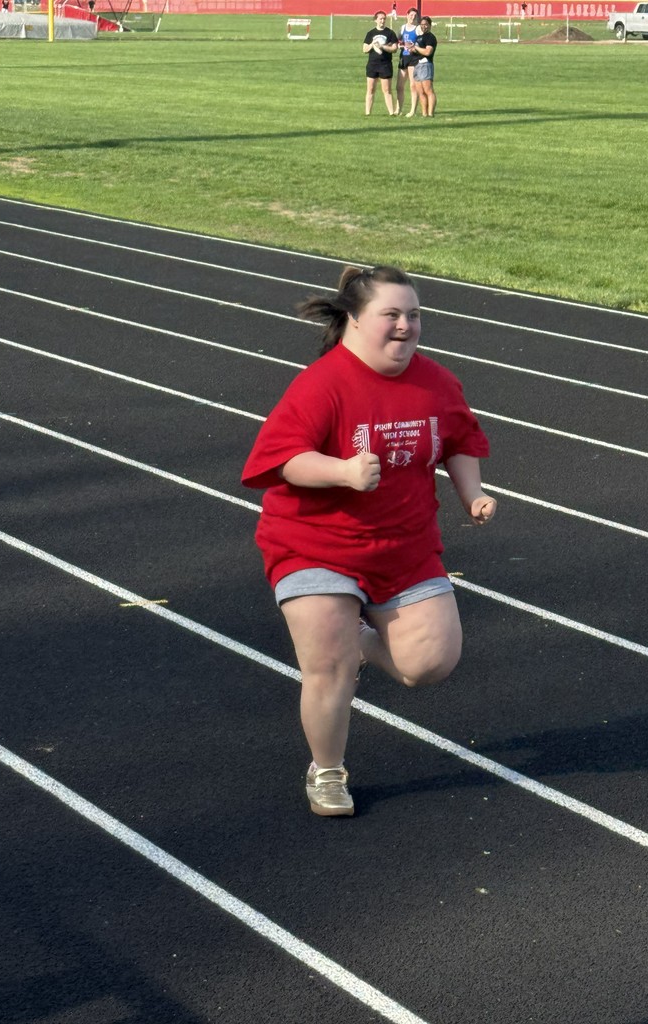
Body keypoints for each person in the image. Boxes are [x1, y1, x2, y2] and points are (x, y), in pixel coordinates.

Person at [241, 266, 496, 817]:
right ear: (355, 319)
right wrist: (343, 473)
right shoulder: (322, 384)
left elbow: (456, 438)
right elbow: (282, 459)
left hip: (404, 546)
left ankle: (359, 636)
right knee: (328, 665)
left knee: (428, 664)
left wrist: (470, 495)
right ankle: (327, 772)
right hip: (315, 542)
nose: (405, 326)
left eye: (414, 315)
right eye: (391, 315)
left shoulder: (436, 382)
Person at [362, 11, 399, 117]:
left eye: (384, 19)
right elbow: (364, 49)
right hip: (372, 64)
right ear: (376, 20)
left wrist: (382, 47)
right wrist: (372, 45)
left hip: (385, 64)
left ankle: (391, 112)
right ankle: (368, 112)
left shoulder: (390, 33)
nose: (382, 21)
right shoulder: (370, 33)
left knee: (387, 90)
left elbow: (394, 49)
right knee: (370, 89)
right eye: (380, 19)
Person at [395, 8, 420, 117]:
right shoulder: (402, 28)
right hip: (403, 57)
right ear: (407, 15)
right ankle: (398, 109)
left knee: (413, 85)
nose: (412, 17)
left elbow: (421, 42)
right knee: (399, 86)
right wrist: (400, 44)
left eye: (415, 15)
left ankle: (413, 110)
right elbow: (397, 41)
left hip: (413, 58)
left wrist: (414, 47)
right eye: (411, 15)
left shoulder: (417, 29)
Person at [411, 16, 437, 117]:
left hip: (426, 64)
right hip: (417, 65)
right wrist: (412, 49)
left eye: (426, 24)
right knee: (420, 91)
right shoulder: (418, 37)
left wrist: (416, 48)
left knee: (428, 90)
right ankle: (424, 114)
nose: (424, 27)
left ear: (430, 25)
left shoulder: (430, 37)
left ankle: (430, 113)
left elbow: (428, 51)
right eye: (422, 25)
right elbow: (418, 50)